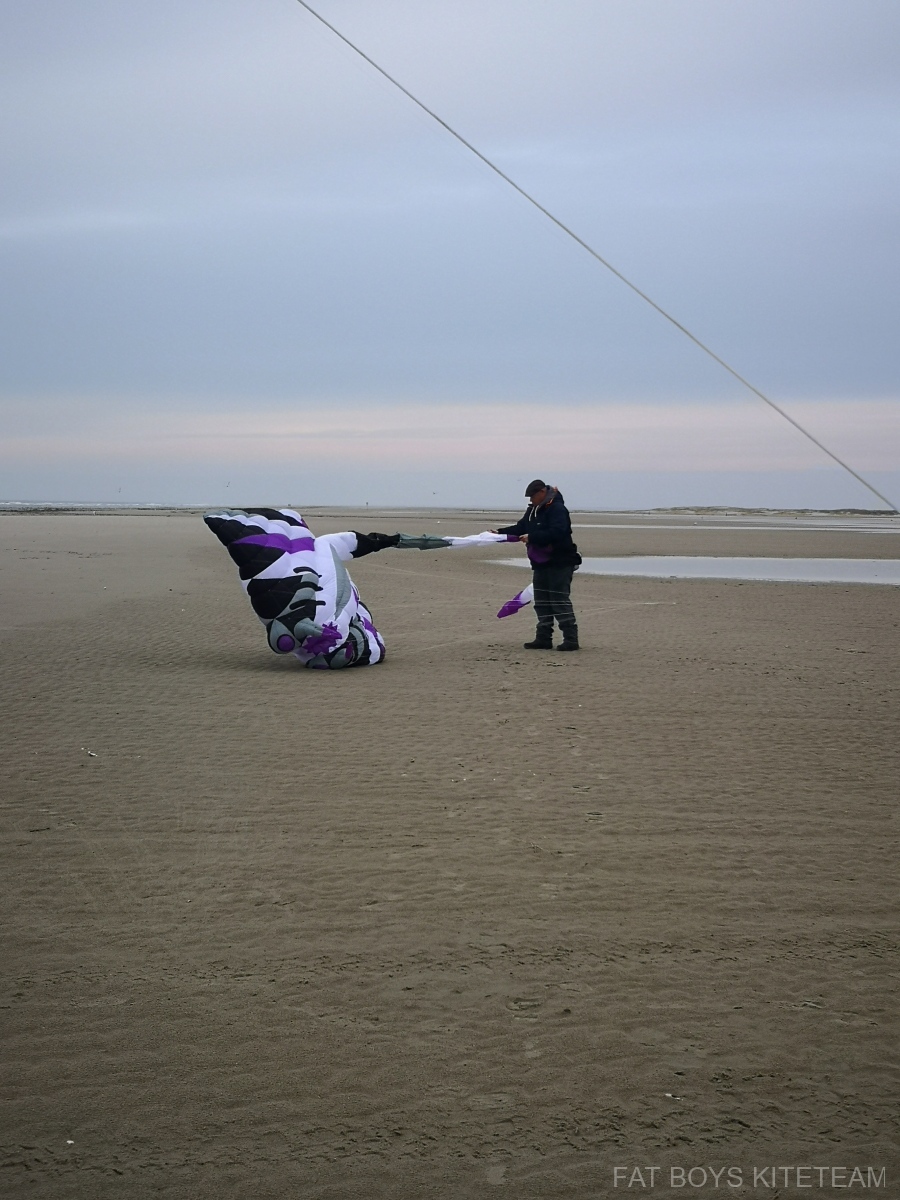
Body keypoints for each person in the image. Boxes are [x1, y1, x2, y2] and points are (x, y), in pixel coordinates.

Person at [495, 480, 581, 651]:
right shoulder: (532, 510)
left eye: (533, 496)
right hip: (540, 562)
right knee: (541, 601)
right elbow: (521, 527)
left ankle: (571, 639)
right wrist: (499, 533)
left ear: (542, 492)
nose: (531, 500)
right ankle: (543, 638)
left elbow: (558, 532)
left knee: (559, 600)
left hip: (560, 562)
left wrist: (532, 537)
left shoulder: (557, 509)